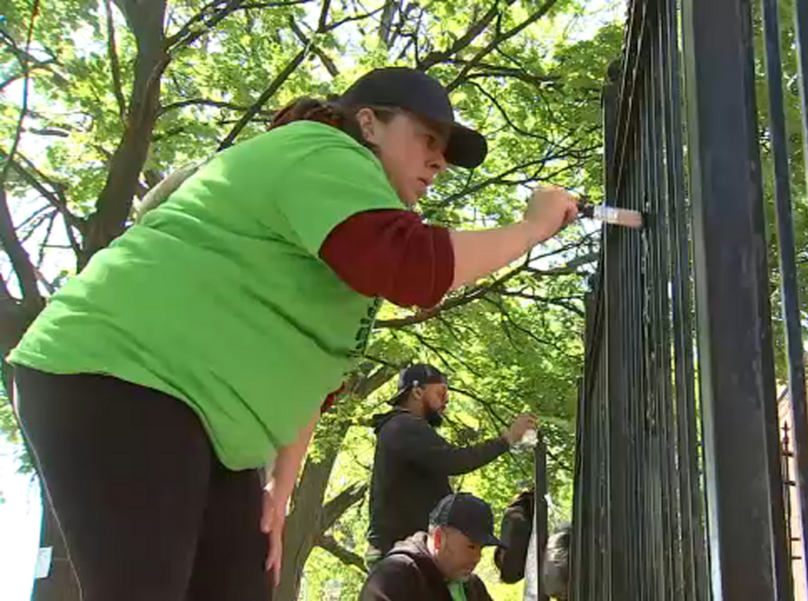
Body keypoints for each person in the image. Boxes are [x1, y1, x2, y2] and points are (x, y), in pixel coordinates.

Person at [9, 66, 578, 600]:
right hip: (118, 373)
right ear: (368, 123)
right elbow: (412, 266)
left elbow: (313, 375)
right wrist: (532, 227)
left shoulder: (347, 250)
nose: (439, 163)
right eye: (428, 140)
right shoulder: (323, 152)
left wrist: (280, 490)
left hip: (204, 420)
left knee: (244, 578)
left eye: (446, 155)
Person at [366, 364, 536, 565]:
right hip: (399, 553)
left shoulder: (402, 428)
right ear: (418, 392)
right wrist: (506, 439)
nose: (446, 400)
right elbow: (454, 460)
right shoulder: (403, 426)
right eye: (440, 392)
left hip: (404, 550)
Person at [360, 492, 499, 600]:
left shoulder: (473, 587)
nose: (477, 558)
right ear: (439, 538)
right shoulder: (394, 577)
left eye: (481, 548)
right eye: (471, 547)